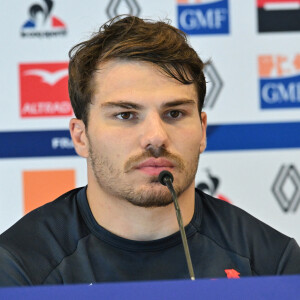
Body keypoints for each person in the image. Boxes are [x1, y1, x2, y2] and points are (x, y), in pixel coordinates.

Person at [0, 16, 300, 286]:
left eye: (174, 114)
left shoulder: (271, 262)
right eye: (126, 115)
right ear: (81, 137)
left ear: (202, 130)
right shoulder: (20, 267)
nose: (156, 137)